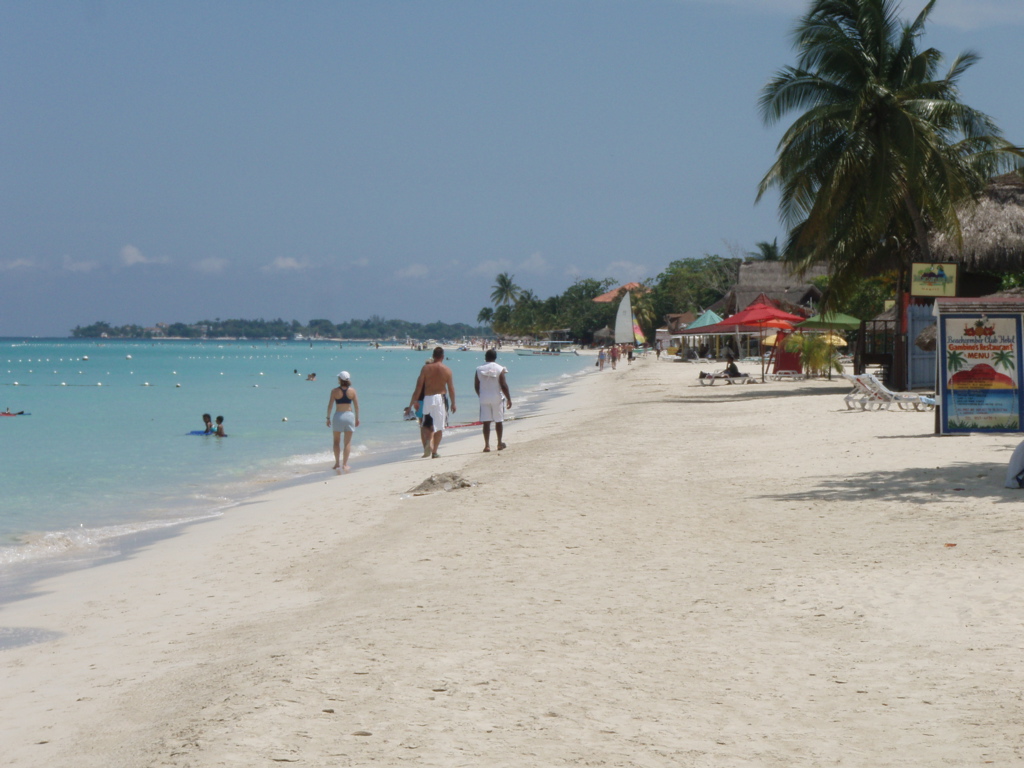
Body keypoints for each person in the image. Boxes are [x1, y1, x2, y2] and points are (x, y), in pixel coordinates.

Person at [409, 347, 455, 459]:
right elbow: (451, 388)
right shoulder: (447, 370)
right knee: (439, 426)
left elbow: (419, 386)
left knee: (425, 424)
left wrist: (415, 401)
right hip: (441, 398)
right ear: (443, 357)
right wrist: (454, 403)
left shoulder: (426, 368)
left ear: (433, 356)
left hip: (428, 398)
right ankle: (434, 452)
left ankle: (428, 440)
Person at [474, 349, 512, 452]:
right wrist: (509, 398)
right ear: (495, 358)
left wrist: (480, 395)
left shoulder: (479, 369)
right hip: (497, 397)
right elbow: (503, 385)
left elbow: (476, 385)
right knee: (498, 421)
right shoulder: (500, 368)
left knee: (486, 422)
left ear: (485, 357)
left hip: (484, 397)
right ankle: (499, 443)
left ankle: (487, 445)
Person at [327, 371, 360, 471]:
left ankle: (337, 463)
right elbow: (356, 406)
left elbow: (330, 406)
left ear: (339, 380)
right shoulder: (352, 391)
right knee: (347, 442)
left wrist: (328, 418)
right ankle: (345, 464)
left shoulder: (334, 391)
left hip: (338, 416)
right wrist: (357, 418)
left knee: (336, 441)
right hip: (349, 416)